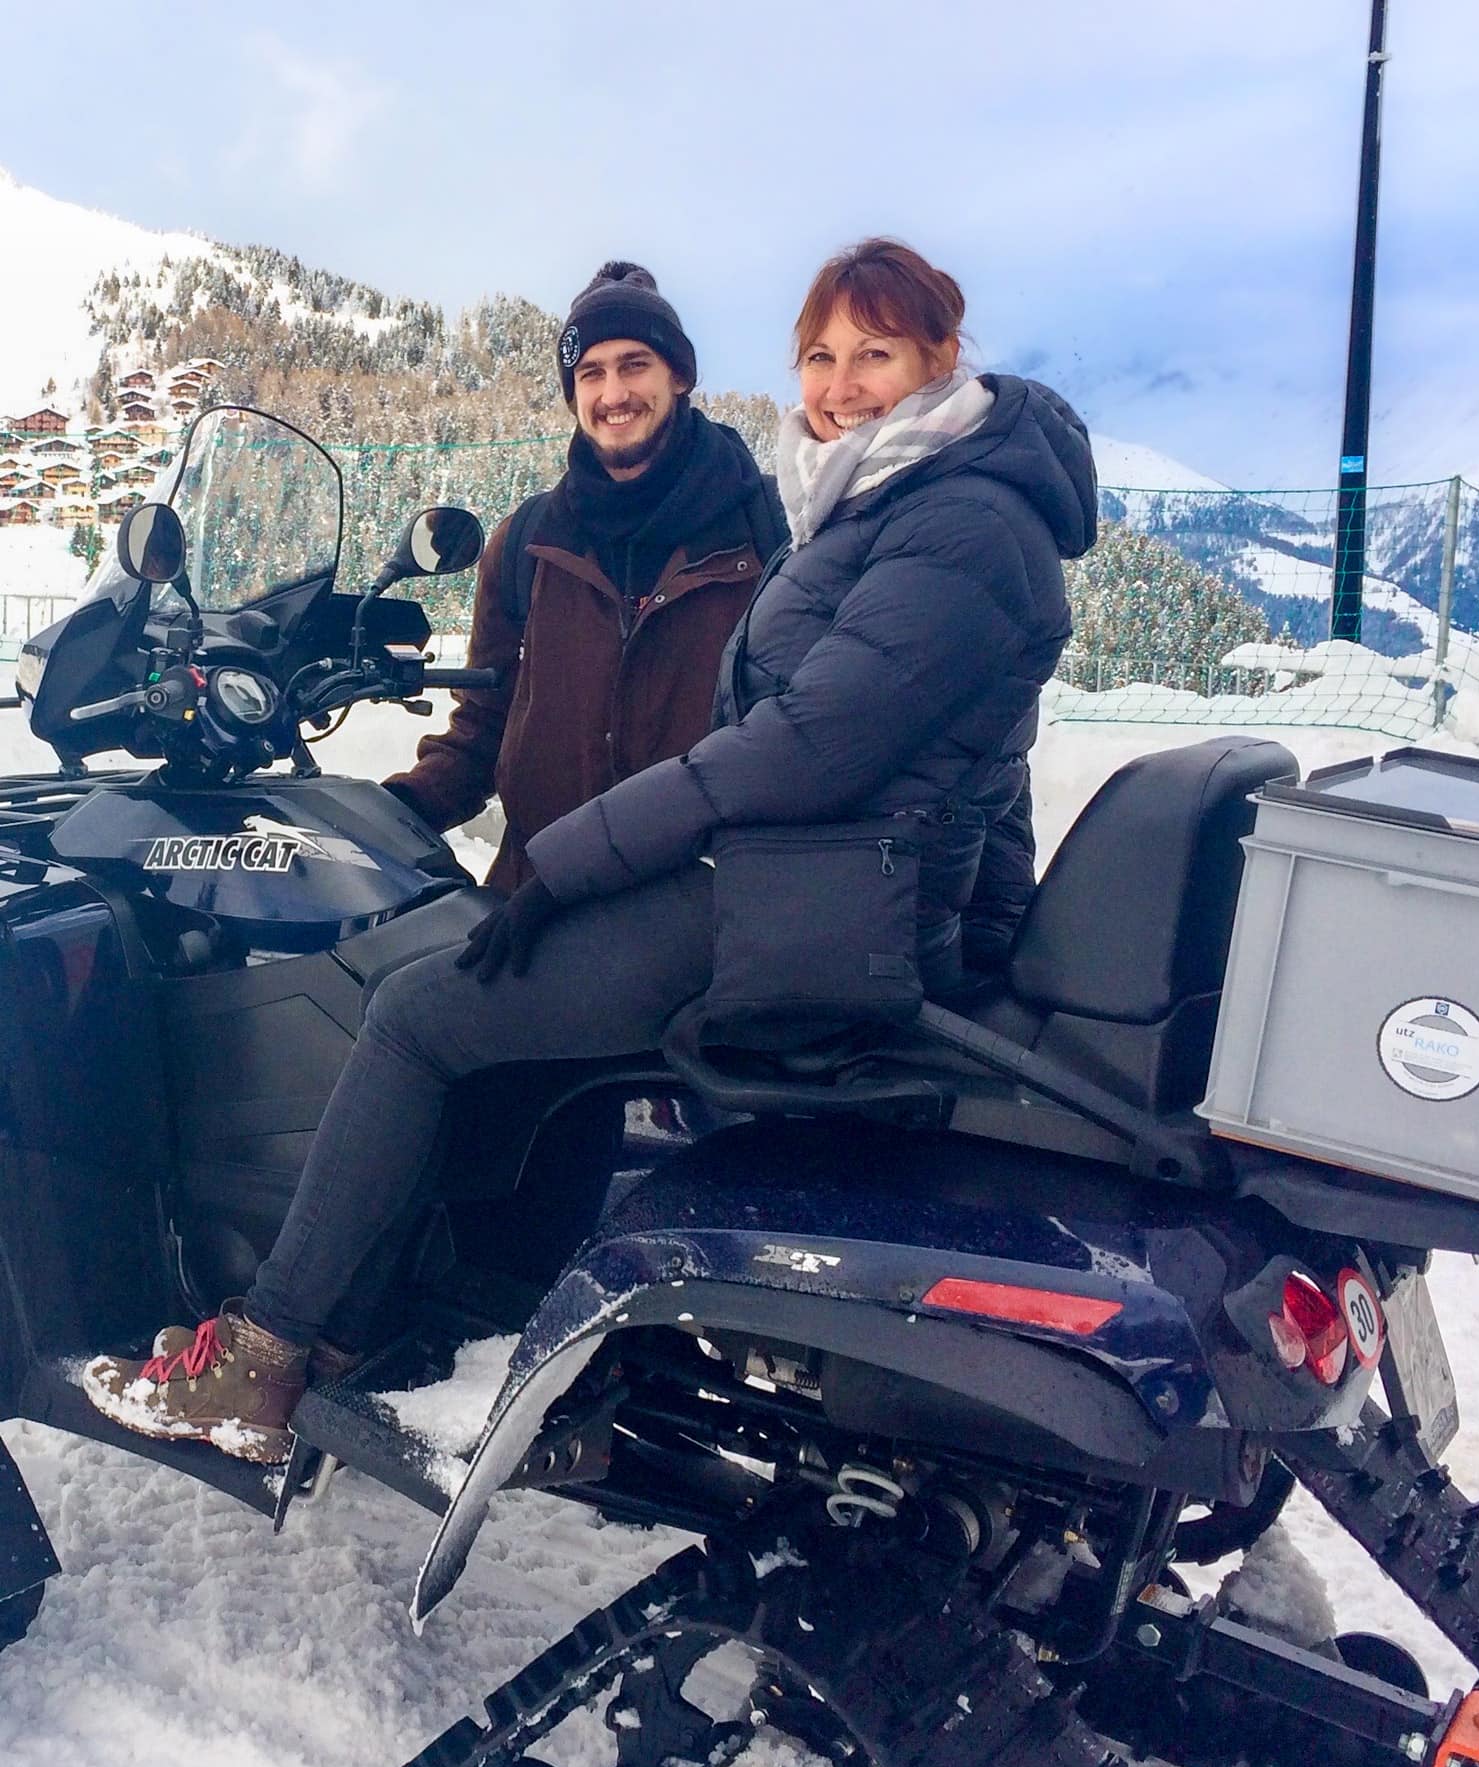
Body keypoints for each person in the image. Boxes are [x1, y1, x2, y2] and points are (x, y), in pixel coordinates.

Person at [83, 237, 1098, 1463]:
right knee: (484, 1049)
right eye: (822, 355)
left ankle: (269, 1351)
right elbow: (501, 709)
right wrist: (414, 808)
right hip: (745, 875)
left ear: (941, 357)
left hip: (759, 892)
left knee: (412, 1018)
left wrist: (574, 860)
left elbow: (804, 743)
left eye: (874, 354)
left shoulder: (863, 518)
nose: (840, 382)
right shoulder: (848, 504)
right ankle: (412, 1326)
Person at [385, 259, 785, 893]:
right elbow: (483, 730)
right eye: (590, 374)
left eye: (634, 365)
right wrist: (389, 815)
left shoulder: (768, 532)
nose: (613, 395)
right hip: (531, 906)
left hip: (697, 915)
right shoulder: (528, 542)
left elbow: (793, 738)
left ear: (678, 375)